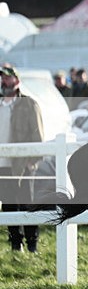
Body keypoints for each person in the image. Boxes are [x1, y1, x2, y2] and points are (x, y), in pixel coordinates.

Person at [0, 66, 44, 252]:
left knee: (28, 203)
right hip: (2, 164)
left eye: (8, 78)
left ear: (16, 80)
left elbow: (38, 134)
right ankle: (15, 245)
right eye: (2, 78)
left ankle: (32, 244)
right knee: (8, 203)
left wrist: (32, 159)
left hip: (22, 163)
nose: (4, 81)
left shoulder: (29, 104)